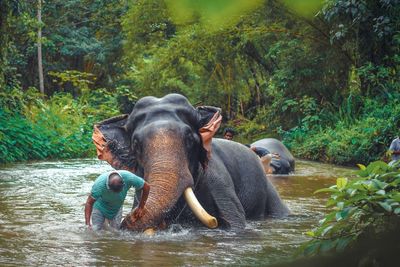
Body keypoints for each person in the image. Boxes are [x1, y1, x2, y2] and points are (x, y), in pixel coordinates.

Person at [85, 170, 150, 230]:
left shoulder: (129, 178)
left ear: (123, 184)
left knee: (115, 232)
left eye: (119, 191)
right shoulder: (99, 185)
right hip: (100, 207)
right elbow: (89, 203)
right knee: (96, 231)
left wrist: (141, 207)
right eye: (113, 191)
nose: (116, 194)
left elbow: (146, 187)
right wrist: (87, 224)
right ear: (108, 186)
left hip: (117, 208)